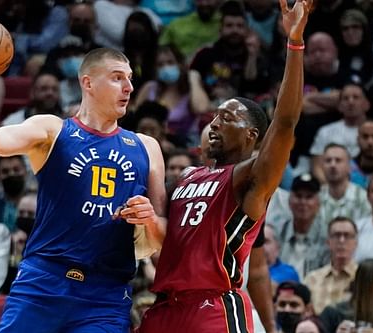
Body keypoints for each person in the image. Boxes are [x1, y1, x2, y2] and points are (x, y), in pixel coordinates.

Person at [0, 24, 167, 332]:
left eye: (129, 79)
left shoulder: (147, 147)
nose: (128, 87)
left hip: (106, 294)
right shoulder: (54, 129)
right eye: (117, 77)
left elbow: (160, 240)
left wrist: (150, 219)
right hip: (44, 281)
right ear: (87, 82)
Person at [138, 0, 311, 332]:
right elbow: (155, 226)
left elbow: (286, 122)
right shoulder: (187, 175)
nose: (214, 123)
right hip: (163, 306)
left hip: (213, 306)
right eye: (215, 116)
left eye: (227, 118)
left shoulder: (250, 177)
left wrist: (294, 42)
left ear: (251, 135)